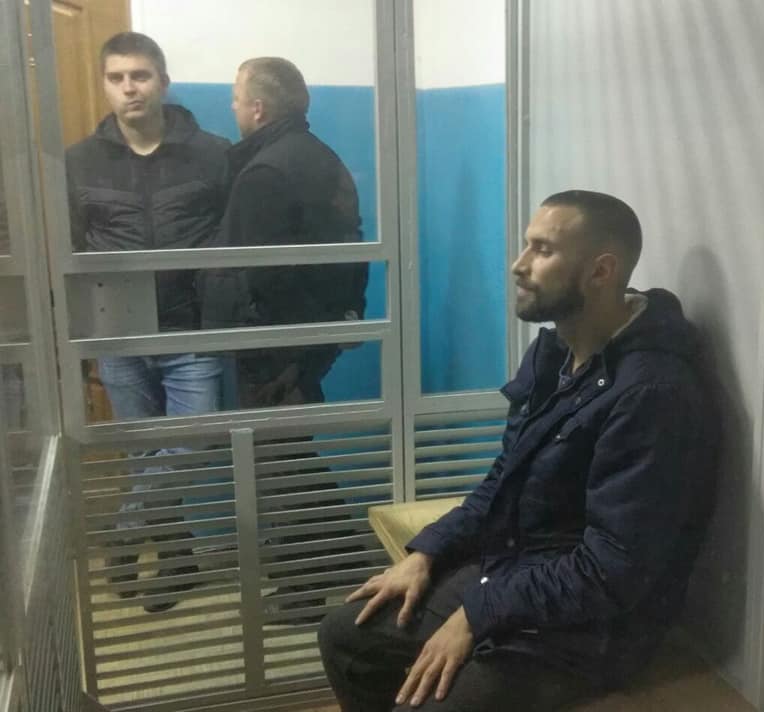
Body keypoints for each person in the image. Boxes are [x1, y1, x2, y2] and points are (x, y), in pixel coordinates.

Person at [318, 190, 719, 711]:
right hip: (517, 573)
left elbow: (613, 570)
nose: (518, 264)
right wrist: (427, 552)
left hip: (591, 630)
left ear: (600, 272)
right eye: (527, 245)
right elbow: (503, 480)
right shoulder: (552, 353)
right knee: (346, 636)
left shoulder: (653, 394)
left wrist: (477, 613)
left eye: (542, 250)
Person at [65, 32, 230, 612]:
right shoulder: (79, 161)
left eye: (139, 75)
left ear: (162, 80)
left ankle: (121, 532)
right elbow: (72, 247)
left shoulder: (212, 153)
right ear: (104, 85)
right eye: (116, 78)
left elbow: (231, 237)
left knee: (193, 436)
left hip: (193, 325)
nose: (129, 88)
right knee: (142, 453)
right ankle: (178, 560)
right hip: (117, 330)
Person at [201, 57, 368, 622]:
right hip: (308, 334)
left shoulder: (266, 171)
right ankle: (343, 552)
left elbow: (259, 273)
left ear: (257, 108)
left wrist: (274, 347)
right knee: (290, 452)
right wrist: (342, 318)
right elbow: (350, 249)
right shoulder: (322, 158)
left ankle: (303, 590)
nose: (231, 106)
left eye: (235, 96)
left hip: (274, 342)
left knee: (277, 462)